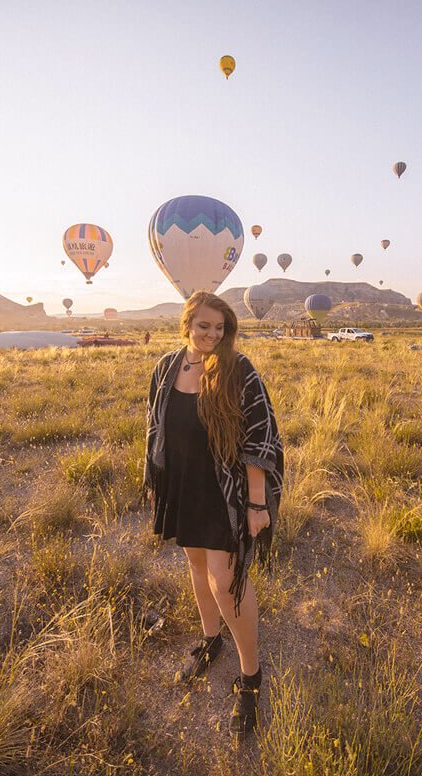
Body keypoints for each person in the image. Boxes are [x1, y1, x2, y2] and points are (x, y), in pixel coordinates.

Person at [142, 291, 284, 737]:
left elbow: (260, 437)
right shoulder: (167, 367)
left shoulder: (239, 370)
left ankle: (251, 677)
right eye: (204, 326)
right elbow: (155, 424)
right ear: (187, 323)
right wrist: (156, 479)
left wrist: (257, 503)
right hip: (182, 486)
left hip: (226, 492)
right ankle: (210, 639)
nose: (211, 335)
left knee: (227, 580)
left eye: (219, 328)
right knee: (196, 564)